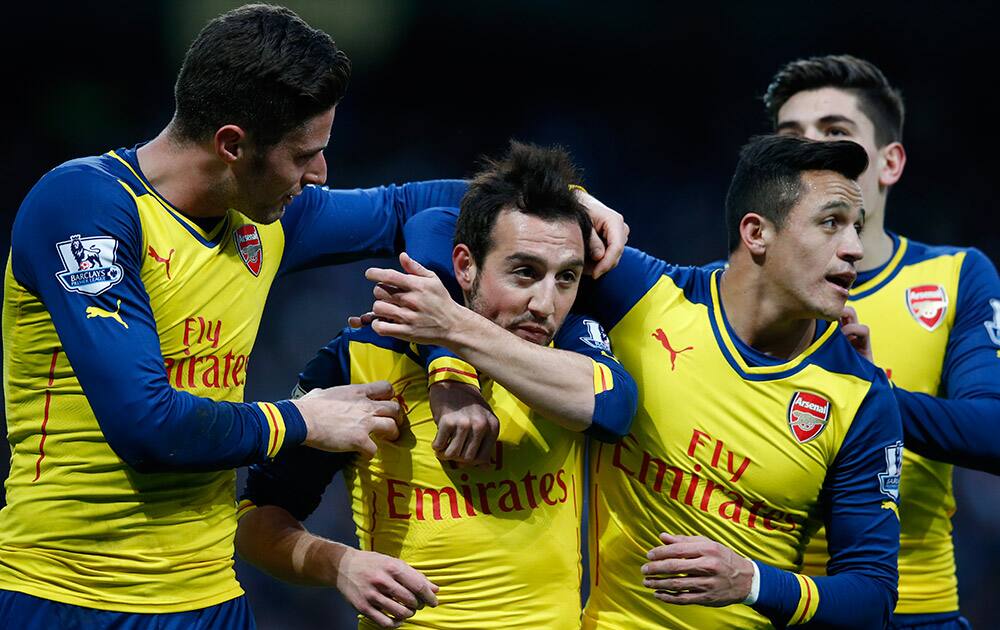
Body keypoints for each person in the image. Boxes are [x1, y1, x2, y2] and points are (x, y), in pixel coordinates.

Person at [0, 6, 628, 628]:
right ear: (233, 145)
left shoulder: (265, 220)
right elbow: (146, 428)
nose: (320, 174)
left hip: (208, 600)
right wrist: (301, 421)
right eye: (305, 155)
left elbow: (428, 207)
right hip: (66, 595)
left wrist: (567, 203)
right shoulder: (84, 206)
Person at [368, 135, 902, 628]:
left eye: (858, 225)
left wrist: (753, 582)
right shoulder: (644, 297)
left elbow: (872, 596)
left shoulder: (862, 398)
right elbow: (449, 221)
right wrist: (448, 364)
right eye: (832, 223)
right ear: (757, 232)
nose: (855, 248)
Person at [235, 142, 638, 629]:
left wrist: (450, 346)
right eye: (524, 272)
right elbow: (257, 521)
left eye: (567, 278)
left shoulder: (568, 344)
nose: (544, 303)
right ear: (464, 265)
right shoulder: (364, 355)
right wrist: (340, 564)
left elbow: (611, 409)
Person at [765, 54, 1000, 629]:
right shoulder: (733, 290)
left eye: (837, 134)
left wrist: (868, 397)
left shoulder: (954, 276)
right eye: (790, 137)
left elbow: (991, 432)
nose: (810, 151)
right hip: (773, 605)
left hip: (919, 609)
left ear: (890, 162)